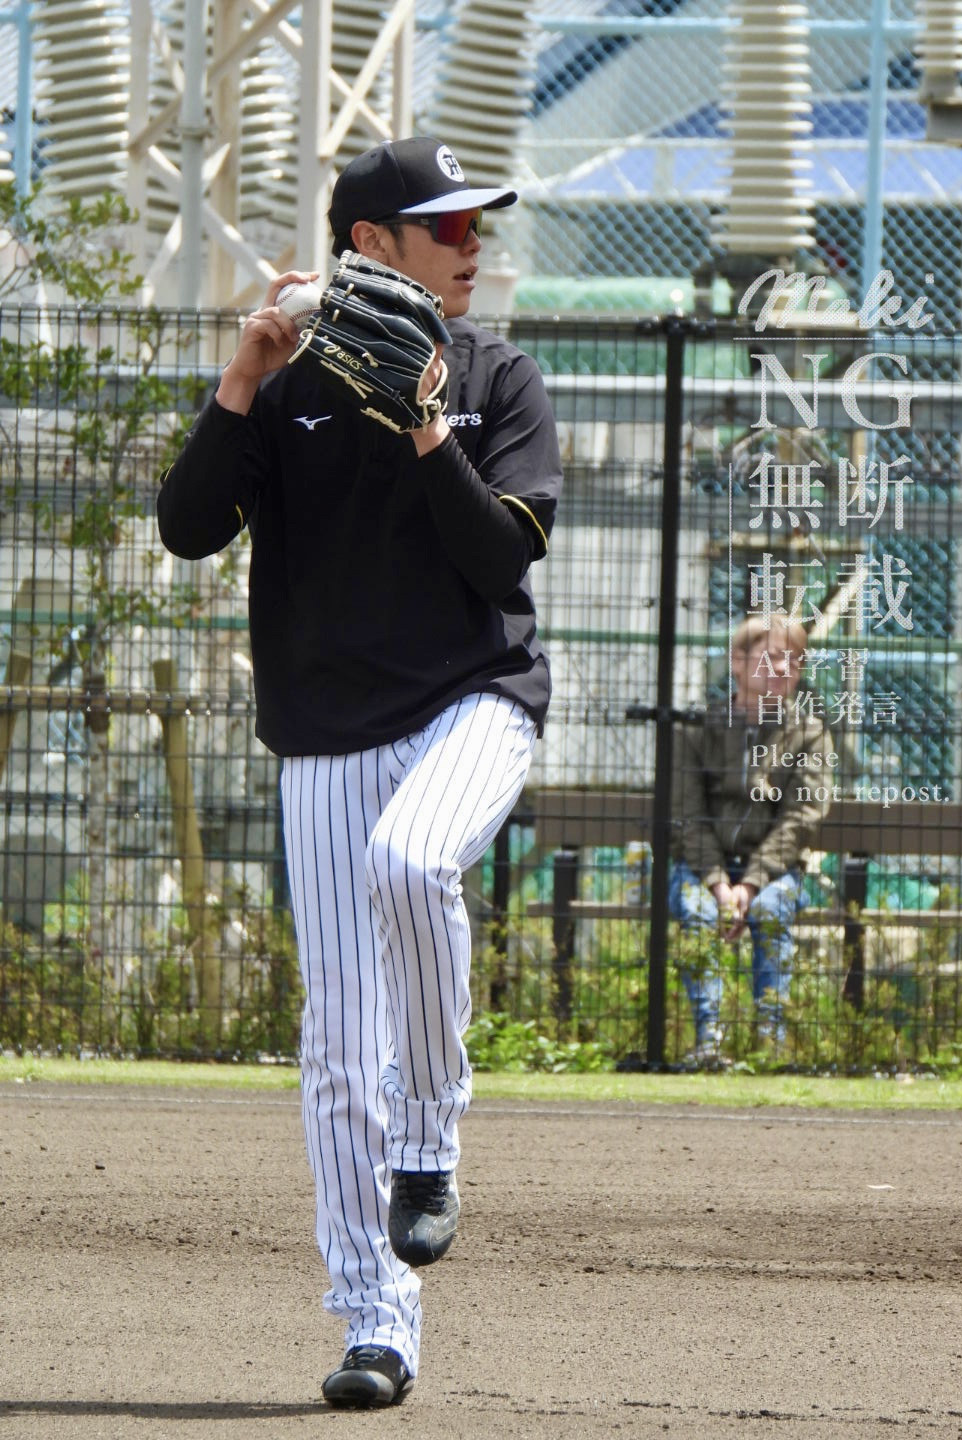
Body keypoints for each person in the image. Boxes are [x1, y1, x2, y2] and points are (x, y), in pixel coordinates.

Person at [157, 136, 562, 1408]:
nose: (474, 244)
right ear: (372, 244)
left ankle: (430, 1137)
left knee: (412, 860)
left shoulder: (496, 376)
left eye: (478, 225)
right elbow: (186, 529)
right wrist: (242, 378)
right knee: (338, 1050)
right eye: (450, 226)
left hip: (472, 703)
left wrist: (429, 424)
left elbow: (503, 564)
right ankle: (376, 1324)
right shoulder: (289, 385)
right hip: (327, 733)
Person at [670, 616, 834, 1060]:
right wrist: (719, 884)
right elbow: (687, 816)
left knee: (772, 909)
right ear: (737, 662)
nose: (784, 669)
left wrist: (751, 883)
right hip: (702, 869)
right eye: (773, 657)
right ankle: (709, 1041)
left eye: (794, 661)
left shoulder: (810, 733)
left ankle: (769, 1043)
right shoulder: (697, 729)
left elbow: (801, 819)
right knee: (698, 910)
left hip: (774, 873)